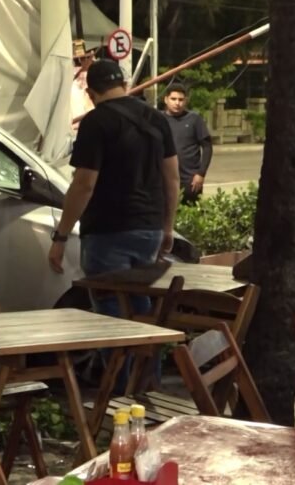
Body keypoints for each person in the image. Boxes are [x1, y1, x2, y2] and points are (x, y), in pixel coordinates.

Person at [48, 59, 180, 391]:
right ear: (123, 84)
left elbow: (84, 184)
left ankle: (119, 390)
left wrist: (61, 236)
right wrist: (167, 226)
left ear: (91, 93)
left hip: (108, 231)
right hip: (149, 228)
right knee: (140, 306)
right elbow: (172, 178)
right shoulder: (156, 118)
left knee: (109, 311)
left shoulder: (96, 122)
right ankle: (146, 384)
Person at [162, 83, 213, 204]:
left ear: (186, 101)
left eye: (181, 100)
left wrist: (201, 174)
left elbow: (207, 147)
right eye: (173, 99)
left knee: (191, 212)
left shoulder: (194, 119)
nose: (177, 103)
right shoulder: (158, 119)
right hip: (164, 179)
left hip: (190, 180)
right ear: (166, 99)